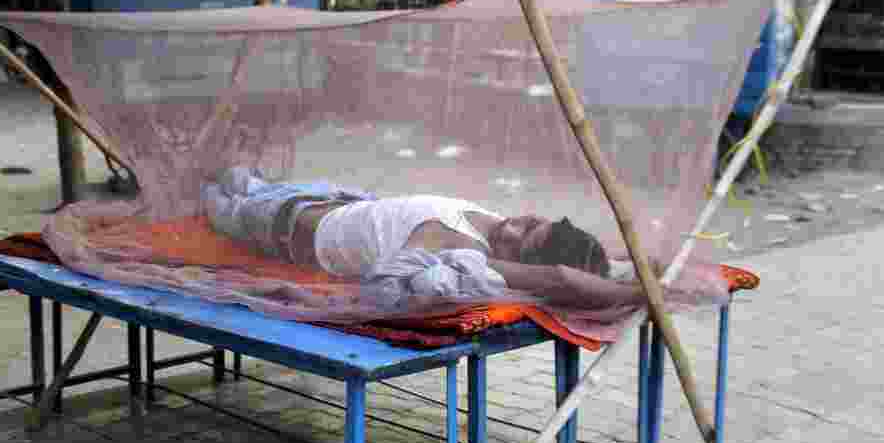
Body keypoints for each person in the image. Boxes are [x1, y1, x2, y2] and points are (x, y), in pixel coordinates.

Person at [202, 167, 645, 310]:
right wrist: (633, 272)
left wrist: (640, 295)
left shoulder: (462, 250)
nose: (512, 227)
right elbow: (578, 260)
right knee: (231, 173)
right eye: (531, 222)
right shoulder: (493, 226)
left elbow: (561, 278)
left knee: (208, 195)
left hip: (277, 223)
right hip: (326, 196)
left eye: (520, 241)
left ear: (521, 263)